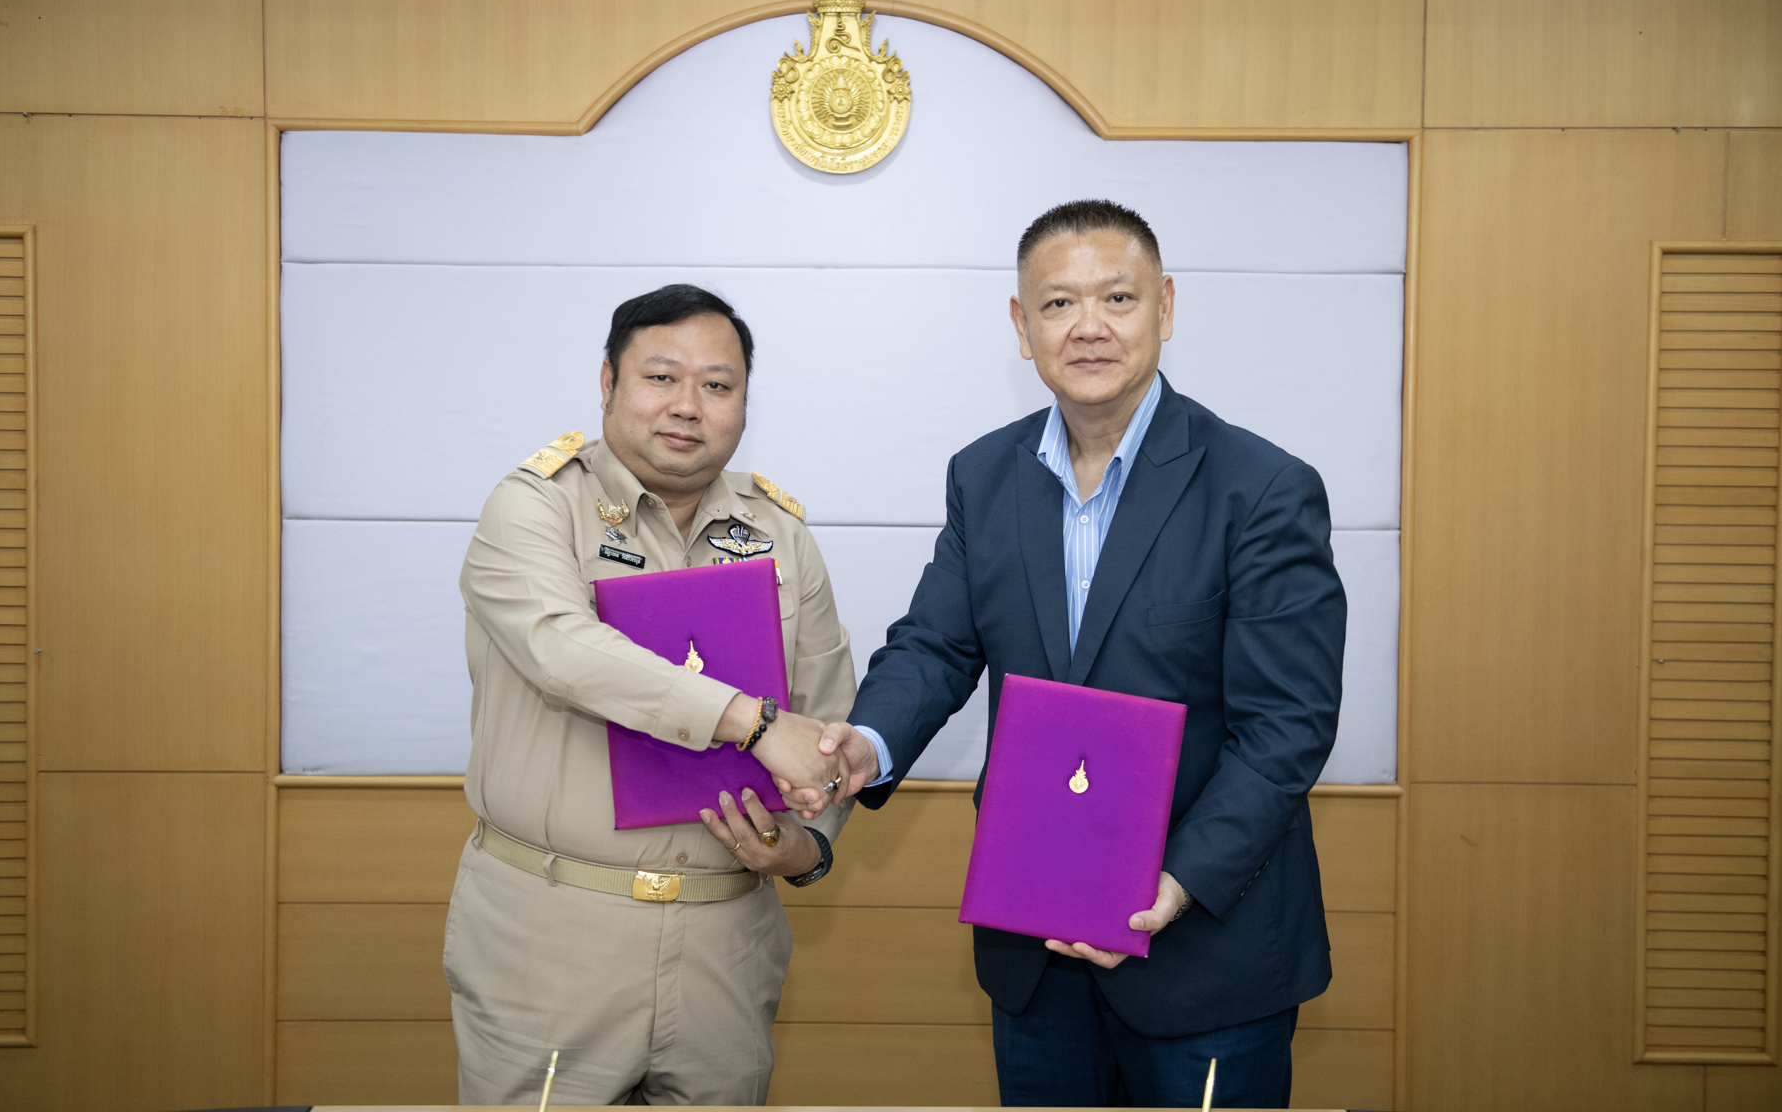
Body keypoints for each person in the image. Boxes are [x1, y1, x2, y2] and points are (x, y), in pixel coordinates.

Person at [806, 200, 1348, 1107]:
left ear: (1164, 308)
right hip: (1035, 943)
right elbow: (937, 644)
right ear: (1022, 327)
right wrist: (866, 744)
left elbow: (1285, 728)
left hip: (1204, 949)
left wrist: (1176, 885)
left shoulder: (1261, 489)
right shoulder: (985, 474)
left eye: (1117, 298)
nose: (1088, 326)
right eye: (1058, 303)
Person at [447, 284, 855, 1106]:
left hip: (727, 940)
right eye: (661, 377)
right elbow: (563, 650)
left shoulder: (780, 535)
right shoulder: (533, 505)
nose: (688, 405)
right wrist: (749, 723)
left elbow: (826, 724)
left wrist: (806, 846)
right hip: (554, 931)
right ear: (608, 383)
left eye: (718, 385)